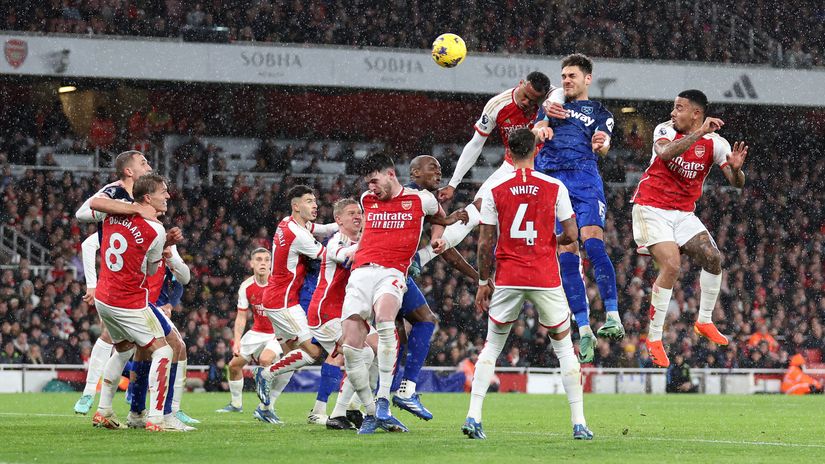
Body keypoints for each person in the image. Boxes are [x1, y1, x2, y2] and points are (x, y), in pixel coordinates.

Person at [462, 128, 591, 441]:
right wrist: (549, 242)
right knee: (563, 348)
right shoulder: (553, 186)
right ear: (535, 150)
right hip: (544, 276)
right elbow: (573, 235)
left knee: (492, 346)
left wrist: (483, 281)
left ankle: (473, 416)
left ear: (509, 150)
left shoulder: (496, 188)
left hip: (509, 276)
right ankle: (579, 423)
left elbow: (485, 242)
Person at [631, 89, 748, 367]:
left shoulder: (716, 143)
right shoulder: (665, 130)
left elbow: (736, 183)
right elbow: (664, 153)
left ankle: (705, 320)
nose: (673, 112)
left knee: (714, 258)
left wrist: (737, 169)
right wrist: (699, 134)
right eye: (674, 107)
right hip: (651, 207)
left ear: (696, 113)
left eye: (679, 108)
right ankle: (655, 338)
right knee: (671, 265)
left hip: (683, 214)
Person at [340, 153, 447, 434]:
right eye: (368, 184)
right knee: (351, 350)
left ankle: (385, 399)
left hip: (392, 273)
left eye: (375, 181)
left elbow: (440, 216)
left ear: (390, 173)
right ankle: (373, 411)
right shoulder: (367, 199)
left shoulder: (419, 199)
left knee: (386, 321)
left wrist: (436, 238)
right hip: (361, 273)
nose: (371, 188)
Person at [532, 53, 622, 363]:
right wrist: (541, 128)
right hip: (552, 183)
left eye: (572, 75)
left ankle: (613, 316)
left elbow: (605, 141)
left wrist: (602, 143)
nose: (567, 80)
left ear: (587, 79)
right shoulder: (552, 105)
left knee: (594, 245)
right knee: (566, 253)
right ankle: (583, 328)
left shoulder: (599, 112)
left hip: (583, 178)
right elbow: (536, 128)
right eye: (564, 75)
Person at [426, 72, 552, 264]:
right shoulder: (498, 105)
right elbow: (476, 144)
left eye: (533, 100)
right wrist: (453, 184)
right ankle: (431, 251)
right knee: (479, 205)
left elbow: (559, 93)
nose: (527, 102)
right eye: (525, 96)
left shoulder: (549, 103)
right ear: (520, 84)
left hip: (543, 167)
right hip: (512, 165)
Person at [392, 155, 483, 421]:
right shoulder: (417, 196)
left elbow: (443, 246)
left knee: (397, 336)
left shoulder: (414, 198)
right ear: (415, 172)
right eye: (433, 168)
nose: (439, 173)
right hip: (387, 270)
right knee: (390, 337)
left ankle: (367, 404)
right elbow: (444, 241)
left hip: (392, 269)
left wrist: (477, 277)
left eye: (441, 170)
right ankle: (390, 396)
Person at [91, 174, 180, 431]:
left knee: (123, 350)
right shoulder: (155, 229)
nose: (168, 196)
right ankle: (155, 418)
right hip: (129, 300)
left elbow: (95, 205)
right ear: (148, 197)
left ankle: (104, 411)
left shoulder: (112, 214)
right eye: (163, 192)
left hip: (104, 297)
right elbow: (152, 271)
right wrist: (162, 246)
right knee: (164, 350)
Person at [72, 150, 155, 415]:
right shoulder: (115, 191)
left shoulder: (146, 195)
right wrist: (91, 285)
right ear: (129, 171)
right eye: (143, 162)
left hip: (139, 278)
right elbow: (84, 214)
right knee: (149, 343)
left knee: (129, 346)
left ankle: (124, 400)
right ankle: (92, 395)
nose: (149, 165)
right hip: (116, 281)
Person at [251, 185, 330, 420]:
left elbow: (321, 228)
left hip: (276, 297)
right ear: (296, 206)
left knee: (291, 357)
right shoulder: (299, 235)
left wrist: (342, 224)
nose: (315, 205)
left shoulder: (287, 223)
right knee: (313, 353)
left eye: (315, 200)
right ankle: (265, 374)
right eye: (308, 201)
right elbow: (328, 256)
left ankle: (266, 409)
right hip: (284, 303)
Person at [306, 197, 376, 430]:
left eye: (360, 212)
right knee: (362, 355)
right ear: (338, 220)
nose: (358, 216)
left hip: (350, 314)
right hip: (326, 313)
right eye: (351, 213)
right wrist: (373, 237)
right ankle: (344, 411)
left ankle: (351, 408)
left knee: (384, 348)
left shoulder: (362, 241)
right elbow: (344, 256)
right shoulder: (336, 241)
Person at [216, 248, 291, 425]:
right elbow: (242, 317)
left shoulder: (279, 283)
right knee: (234, 366)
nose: (263, 263)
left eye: (266, 259)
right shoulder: (246, 286)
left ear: (271, 263)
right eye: (258, 259)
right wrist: (236, 342)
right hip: (257, 332)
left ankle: (267, 407)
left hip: (278, 331)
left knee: (266, 360)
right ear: (251, 263)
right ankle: (236, 404)